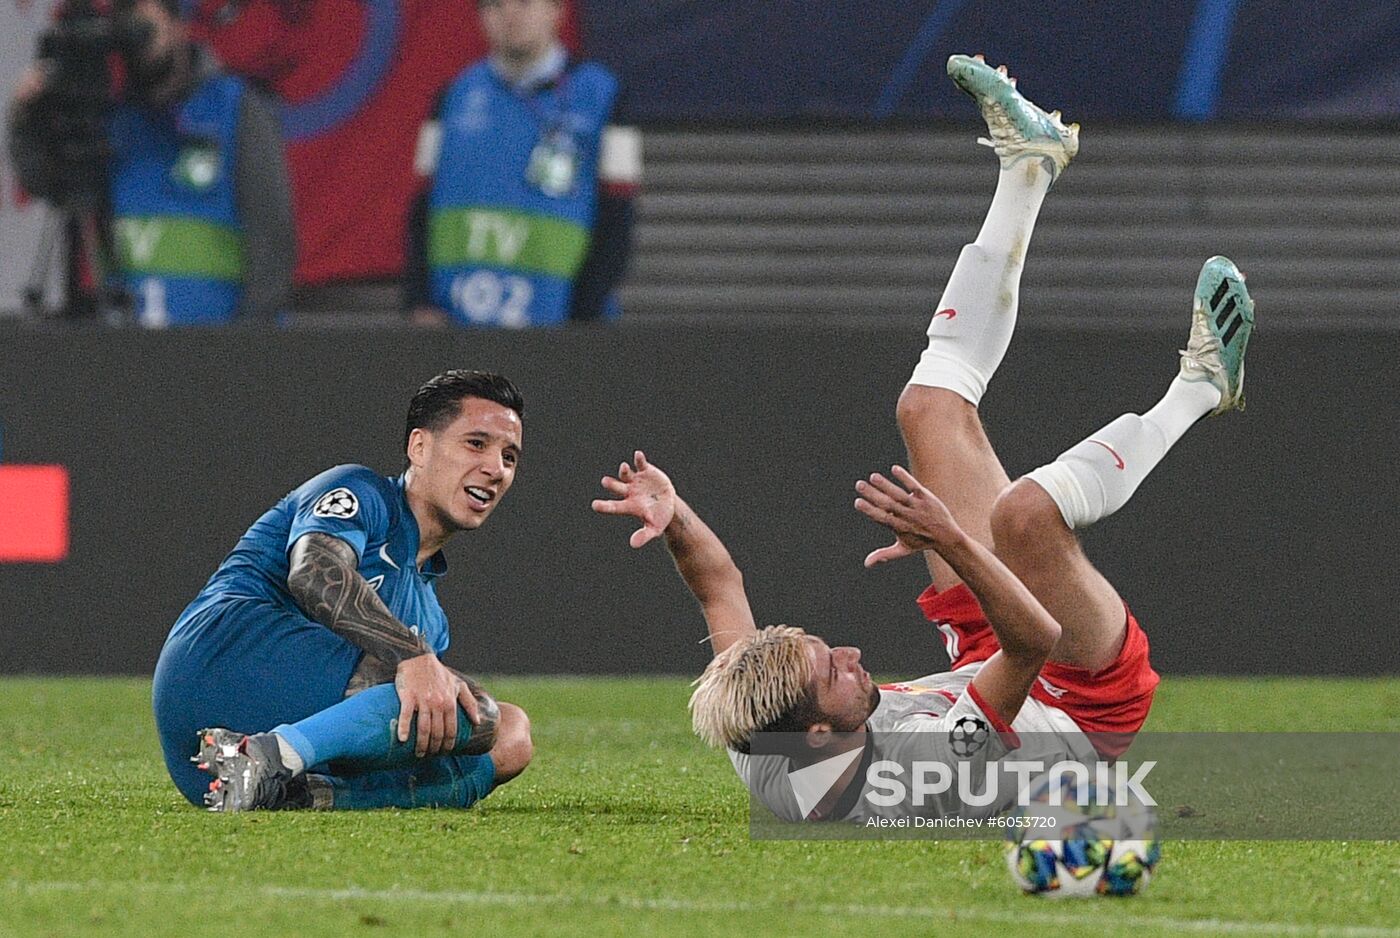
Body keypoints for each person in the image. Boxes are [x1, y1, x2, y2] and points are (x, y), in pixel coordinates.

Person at [592, 55, 1255, 823]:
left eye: (825, 648)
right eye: (834, 673)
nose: (851, 653)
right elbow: (1034, 640)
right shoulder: (910, 777)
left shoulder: (762, 728)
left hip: (985, 661)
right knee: (1024, 516)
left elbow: (720, 585)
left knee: (927, 408)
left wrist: (673, 518)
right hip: (1078, 702)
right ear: (818, 735)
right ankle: (1200, 388)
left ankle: (1028, 165)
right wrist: (948, 536)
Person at [152, 370, 534, 811]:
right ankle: (269, 758)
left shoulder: (429, 617)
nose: (495, 469)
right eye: (476, 444)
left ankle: (305, 792)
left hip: (219, 768)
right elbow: (314, 571)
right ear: (420, 447)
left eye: (510, 456)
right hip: (216, 661)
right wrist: (411, 654)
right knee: (477, 712)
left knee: (510, 738)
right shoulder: (360, 492)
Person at [7, 0, 293, 325]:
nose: (138, 48)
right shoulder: (112, 121)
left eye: (147, 29)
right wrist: (24, 120)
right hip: (127, 353)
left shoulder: (236, 108)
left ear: (179, 25)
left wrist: (248, 350)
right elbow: (46, 182)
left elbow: (272, 242)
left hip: (219, 351)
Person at [404, 0, 640, 327]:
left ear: (557, 11)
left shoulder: (604, 96)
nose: (510, 15)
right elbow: (420, 209)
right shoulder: (452, 97)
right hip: (457, 328)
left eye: (525, 3)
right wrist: (418, 299)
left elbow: (618, 216)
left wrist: (584, 317)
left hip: (562, 329)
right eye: (496, 5)